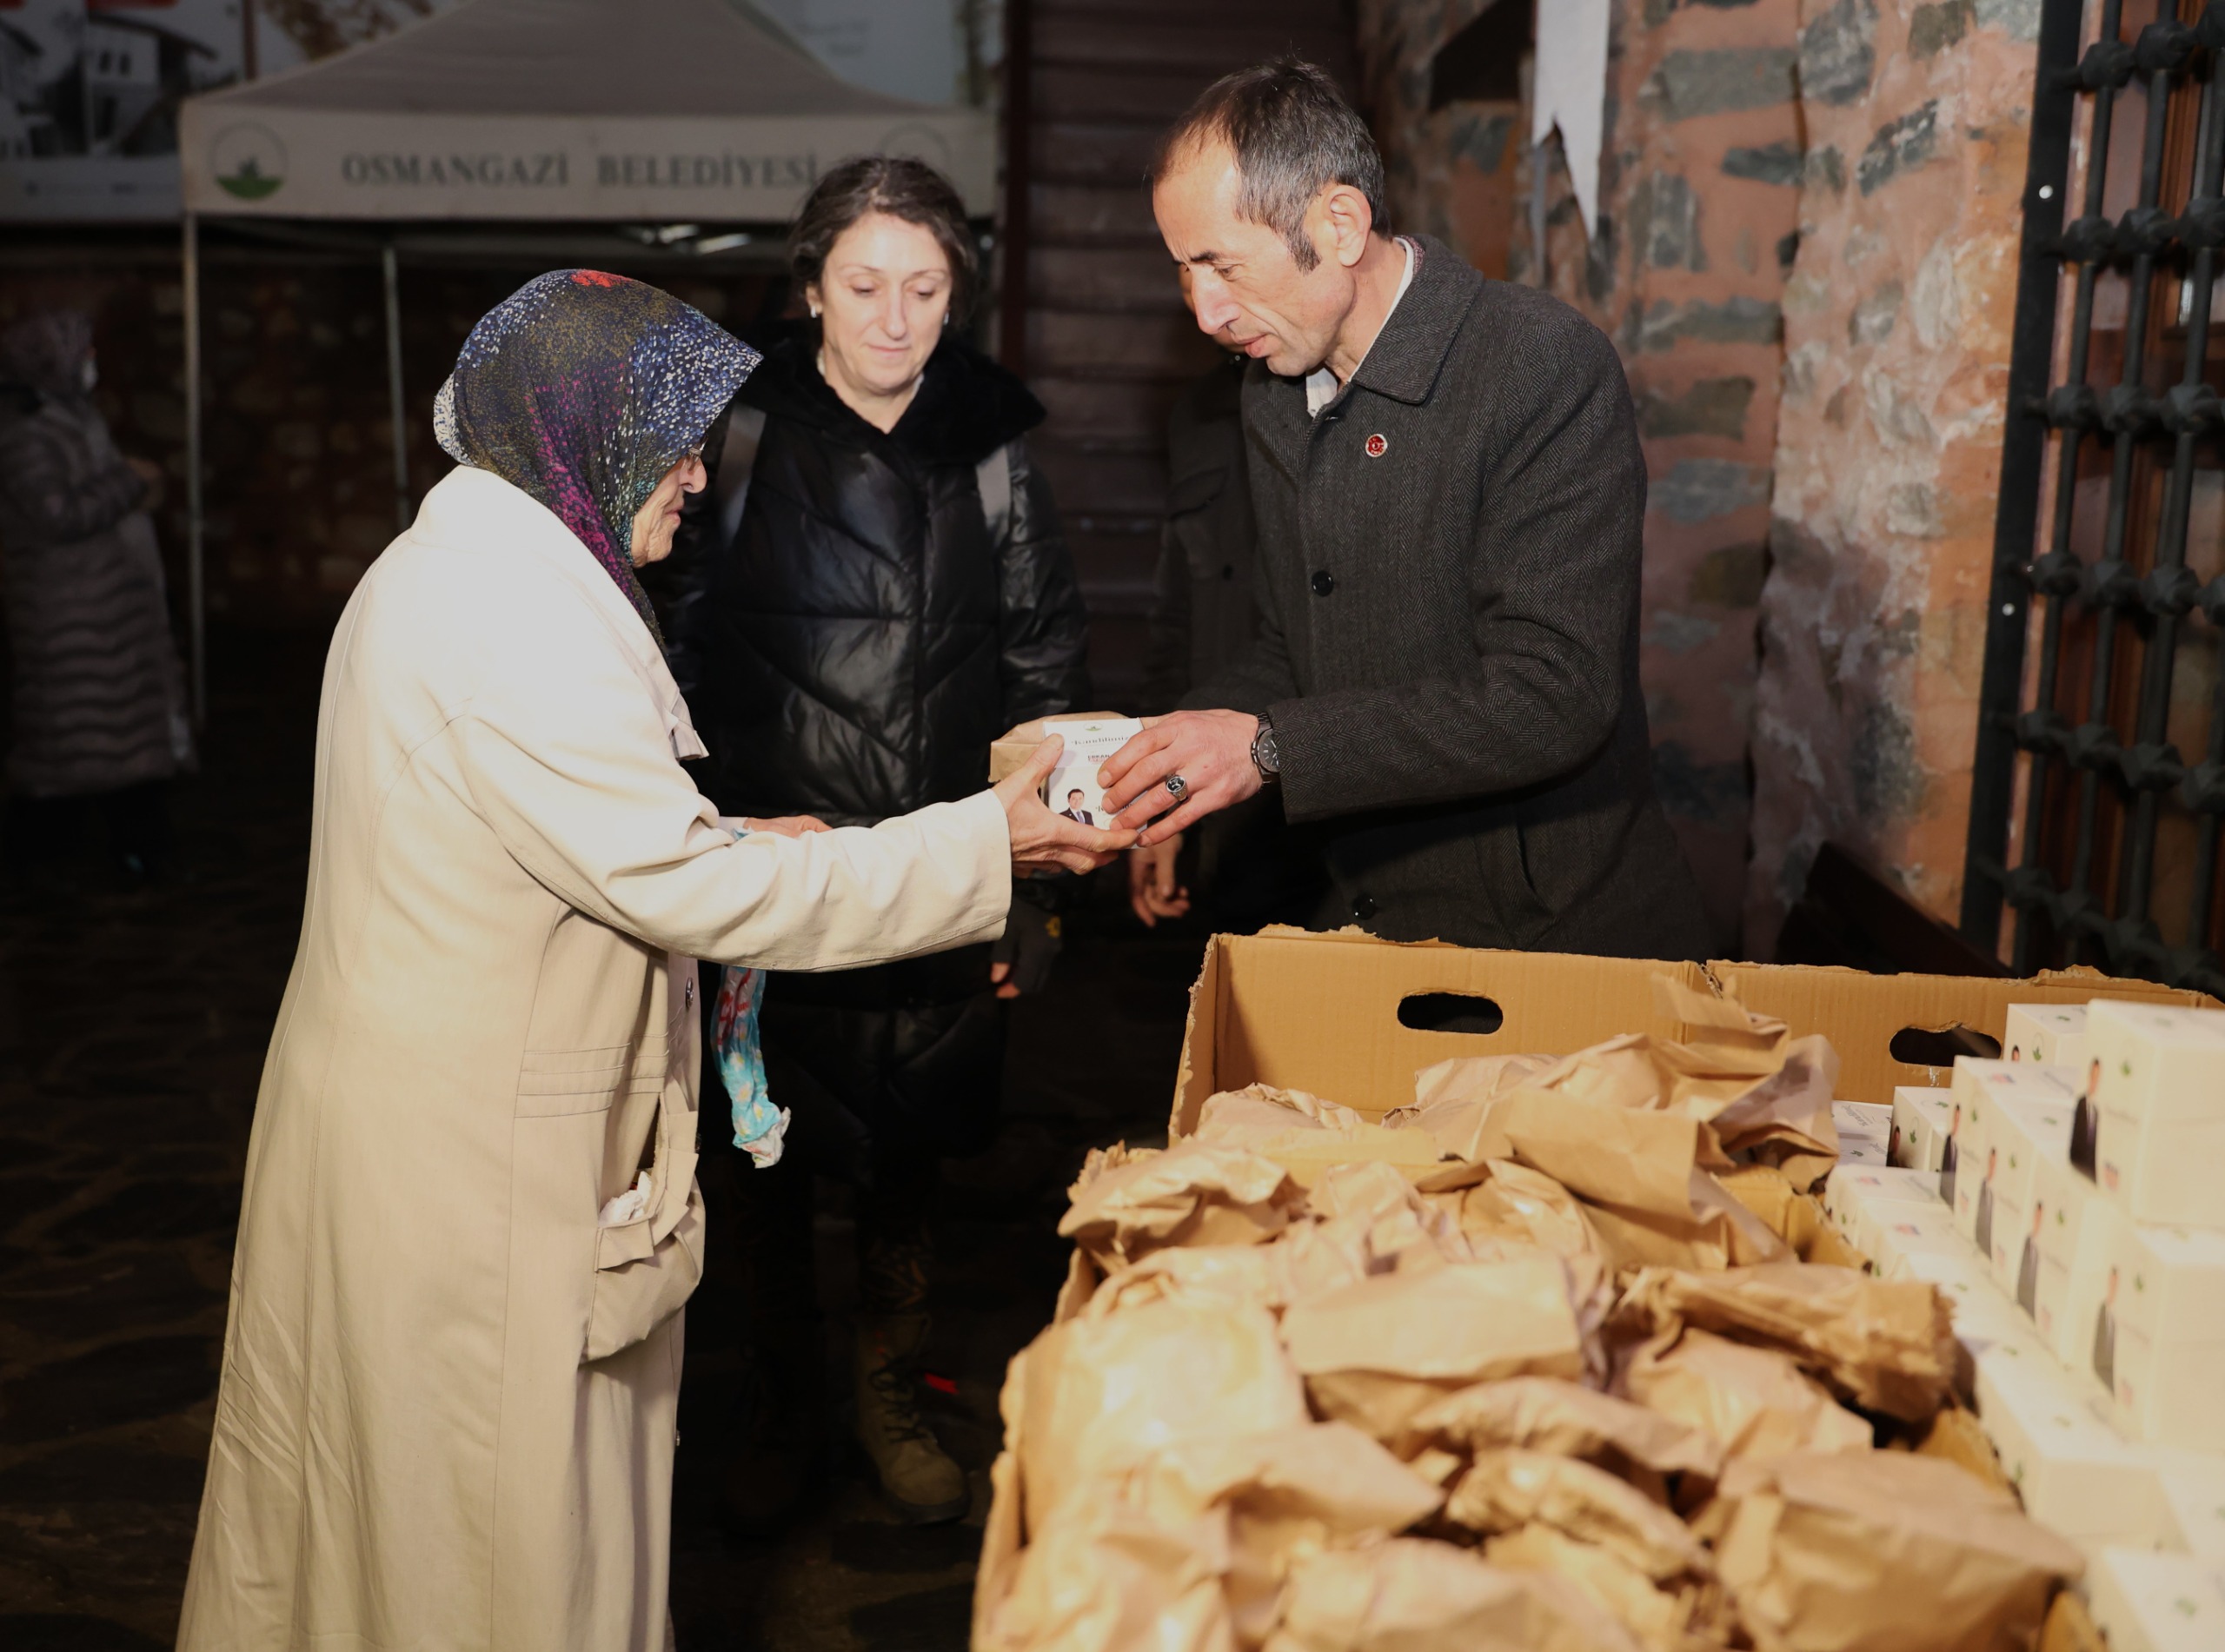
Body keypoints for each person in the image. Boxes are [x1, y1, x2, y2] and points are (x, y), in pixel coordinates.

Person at [175, 270, 1122, 1652]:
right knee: (495, 1571)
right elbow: (694, 889)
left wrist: (725, 823)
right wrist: (990, 848)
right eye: (670, 437)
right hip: (468, 1175)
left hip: (426, 1125)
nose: (694, 473)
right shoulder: (513, 623)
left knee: (408, 1541)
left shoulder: (488, 562)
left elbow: (561, 830)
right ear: (579, 430)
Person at [668, 156, 1091, 1527]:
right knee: (764, 1153)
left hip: (942, 872)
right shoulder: (731, 435)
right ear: (811, 290)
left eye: (925, 287)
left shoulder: (994, 449)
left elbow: (1041, 672)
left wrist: (1032, 891)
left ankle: (888, 1390)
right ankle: (783, 1403)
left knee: (911, 1159)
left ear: (956, 294)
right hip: (773, 878)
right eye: (864, 286)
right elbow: (662, 660)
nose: (896, 318)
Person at [1098, 61, 1709, 959]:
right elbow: (1288, 638)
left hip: (1552, 940)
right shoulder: (1274, 387)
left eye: (1220, 265)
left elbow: (1554, 693)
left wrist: (1267, 749)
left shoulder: (1538, 365)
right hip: (1372, 914)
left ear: (1339, 224)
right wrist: (1175, 765)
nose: (1205, 311)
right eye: (1185, 272)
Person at [0, 308, 193, 890]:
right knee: (78, 740)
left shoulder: (65, 415)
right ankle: (103, 850)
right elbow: (56, 513)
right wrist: (130, 480)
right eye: (80, 352)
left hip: (106, 613)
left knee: (102, 741)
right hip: (71, 619)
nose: (90, 363)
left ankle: (126, 845)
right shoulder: (26, 431)